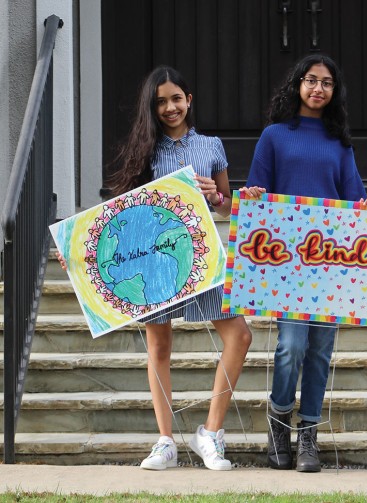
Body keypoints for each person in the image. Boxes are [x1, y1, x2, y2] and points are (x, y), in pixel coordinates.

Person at [61, 66, 252, 471]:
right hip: (154, 264)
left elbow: (229, 205)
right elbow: (117, 220)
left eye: (176, 98)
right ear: (152, 106)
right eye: (161, 101)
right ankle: (165, 441)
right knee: (159, 347)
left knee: (240, 336)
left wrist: (215, 193)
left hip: (202, 259)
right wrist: (76, 251)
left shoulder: (213, 146)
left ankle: (211, 433)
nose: (170, 108)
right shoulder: (142, 152)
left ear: (189, 99)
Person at [242, 54, 367, 472]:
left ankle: (308, 437)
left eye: (327, 83)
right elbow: (257, 188)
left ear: (335, 92)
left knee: (320, 351)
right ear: (297, 85)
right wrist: (251, 197)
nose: (318, 88)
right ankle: (279, 420)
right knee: (292, 346)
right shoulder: (274, 136)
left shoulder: (340, 143)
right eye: (311, 81)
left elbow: (353, 196)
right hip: (287, 263)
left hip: (330, 263)